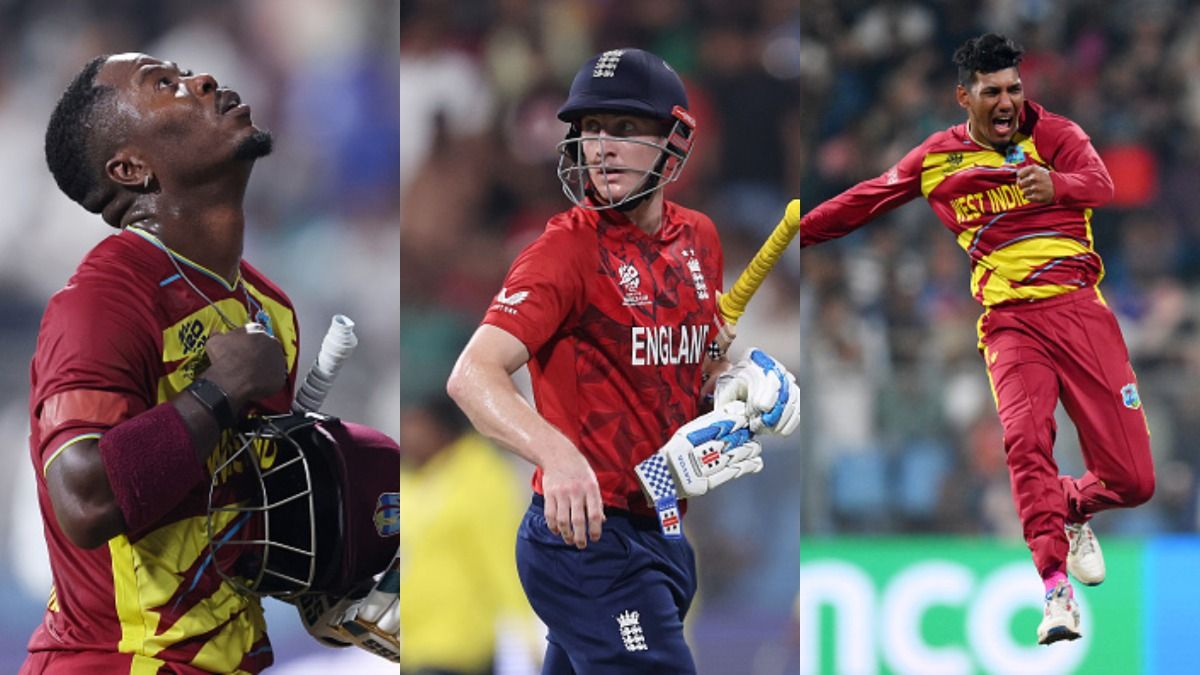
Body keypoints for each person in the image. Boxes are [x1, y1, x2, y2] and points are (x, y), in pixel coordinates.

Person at [447, 47, 798, 673]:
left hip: (661, 527)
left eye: (625, 129)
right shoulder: (564, 252)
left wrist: (741, 387)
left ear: (675, 140)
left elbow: (696, 369)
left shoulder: (701, 239)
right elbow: (471, 375)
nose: (600, 146)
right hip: (585, 539)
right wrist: (556, 455)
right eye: (589, 130)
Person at [797, 33, 1154, 645]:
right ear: (964, 96)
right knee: (1024, 442)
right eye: (993, 91)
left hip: (1081, 312)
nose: (1008, 101)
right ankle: (1055, 591)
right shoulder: (938, 159)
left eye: (1015, 88)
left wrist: (1057, 187)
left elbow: (1101, 184)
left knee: (1135, 483)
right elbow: (863, 201)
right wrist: (791, 234)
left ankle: (1070, 504)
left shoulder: (1057, 136)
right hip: (1010, 323)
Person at [25, 52, 294, 673]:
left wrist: (341, 574)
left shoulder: (268, 306)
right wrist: (221, 388)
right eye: (164, 85)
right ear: (131, 168)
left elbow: (232, 506)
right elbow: (84, 502)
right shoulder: (100, 300)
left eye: (190, 73)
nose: (202, 81)